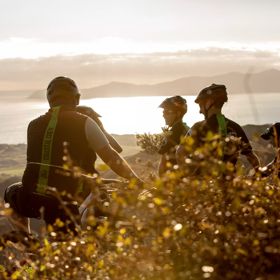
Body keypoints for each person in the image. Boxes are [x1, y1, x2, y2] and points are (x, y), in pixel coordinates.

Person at [4, 76, 143, 233]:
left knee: (11, 191)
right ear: (76, 99)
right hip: (70, 199)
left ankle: (26, 242)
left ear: (49, 100)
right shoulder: (84, 121)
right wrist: (135, 180)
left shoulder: (33, 124)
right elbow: (110, 156)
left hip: (33, 198)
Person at [177, 83, 260, 174]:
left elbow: (180, 153)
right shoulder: (235, 127)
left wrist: (187, 177)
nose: (200, 111)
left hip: (204, 183)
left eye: (201, 106)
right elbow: (252, 158)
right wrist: (257, 176)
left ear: (210, 102)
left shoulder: (198, 127)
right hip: (229, 183)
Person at [76, 105, 123, 175]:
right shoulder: (88, 127)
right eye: (94, 118)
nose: (97, 120)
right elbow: (117, 150)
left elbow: (118, 149)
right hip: (86, 177)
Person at [158, 96, 189, 175]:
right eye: (163, 112)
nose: (163, 115)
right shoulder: (186, 128)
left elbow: (163, 157)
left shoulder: (176, 131)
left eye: (167, 112)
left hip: (174, 180)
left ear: (178, 114)